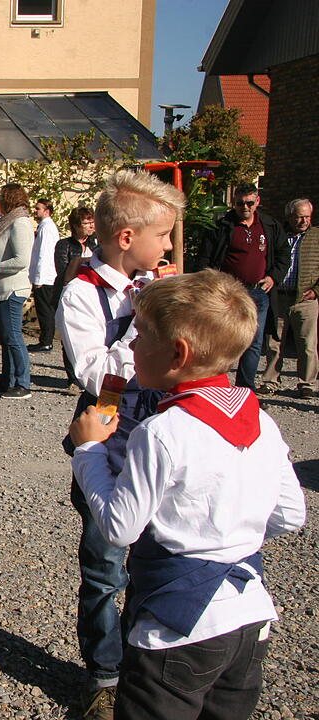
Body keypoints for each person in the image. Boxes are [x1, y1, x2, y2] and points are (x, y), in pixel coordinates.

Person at [69, 269, 306, 720]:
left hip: (177, 624)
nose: (132, 346)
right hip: (249, 614)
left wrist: (89, 451)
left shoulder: (162, 432)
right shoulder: (263, 423)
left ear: (177, 354)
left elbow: (120, 529)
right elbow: (291, 514)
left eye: (140, 336)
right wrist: (228, 535)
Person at [56, 169, 184, 720]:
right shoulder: (82, 295)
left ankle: (148, 663)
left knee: (159, 555)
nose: (171, 245)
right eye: (164, 234)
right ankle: (104, 674)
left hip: (164, 437)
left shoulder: (161, 283)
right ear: (128, 237)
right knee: (106, 568)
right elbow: (92, 373)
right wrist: (144, 322)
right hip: (109, 440)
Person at [195, 183, 290, 390]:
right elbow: (204, 259)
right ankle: (217, 388)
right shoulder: (222, 227)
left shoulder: (270, 226)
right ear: (233, 203)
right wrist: (213, 283)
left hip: (259, 292)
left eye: (249, 202)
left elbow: (284, 255)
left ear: (257, 201)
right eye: (239, 203)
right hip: (229, 293)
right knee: (223, 340)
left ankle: (245, 390)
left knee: (253, 343)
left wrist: (273, 277)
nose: (244, 207)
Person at [259, 198, 318, 398]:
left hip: (306, 298)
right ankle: (270, 381)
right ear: (289, 217)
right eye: (299, 216)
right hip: (279, 297)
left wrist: (317, 291)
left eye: (307, 216)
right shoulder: (279, 235)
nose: (304, 221)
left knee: (307, 344)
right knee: (274, 342)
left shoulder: (317, 236)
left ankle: (306, 383)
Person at [0, 183, 34, 399]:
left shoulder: (20, 223)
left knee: (14, 337)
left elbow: (22, 259)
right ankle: (7, 380)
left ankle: (23, 383)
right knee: (5, 337)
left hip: (12, 288)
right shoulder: (7, 223)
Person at [55, 207, 99, 394]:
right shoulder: (64, 245)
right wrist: (82, 262)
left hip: (93, 295)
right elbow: (63, 271)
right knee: (69, 337)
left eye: (92, 222)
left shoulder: (97, 244)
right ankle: (72, 378)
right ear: (75, 226)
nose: (91, 226)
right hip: (68, 293)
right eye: (86, 222)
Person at [28, 197, 60, 352]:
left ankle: (46, 340)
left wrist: (39, 277)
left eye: (38, 208)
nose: (35, 211)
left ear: (47, 211)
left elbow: (45, 254)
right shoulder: (44, 227)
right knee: (43, 309)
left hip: (46, 277)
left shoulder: (47, 228)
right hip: (44, 275)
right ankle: (45, 339)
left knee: (45, 310)